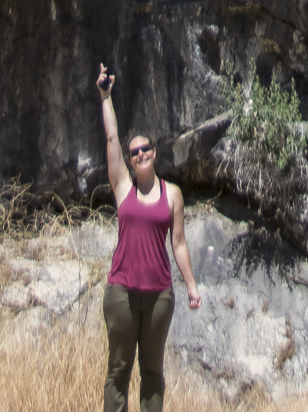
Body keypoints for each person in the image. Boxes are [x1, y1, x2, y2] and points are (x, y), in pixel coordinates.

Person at [97, 63, 201, 412]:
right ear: (129, 159)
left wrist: (190, 286)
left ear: (155, 153)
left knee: (153, 372)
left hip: (159, 294)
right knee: (119, 370)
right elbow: (111, 138)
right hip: (122, 291)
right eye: (134, 152)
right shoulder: (122, 187)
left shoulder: (171, 194)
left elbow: (179, 243)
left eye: (146, 149)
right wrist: (106, 96)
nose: (140, 154)